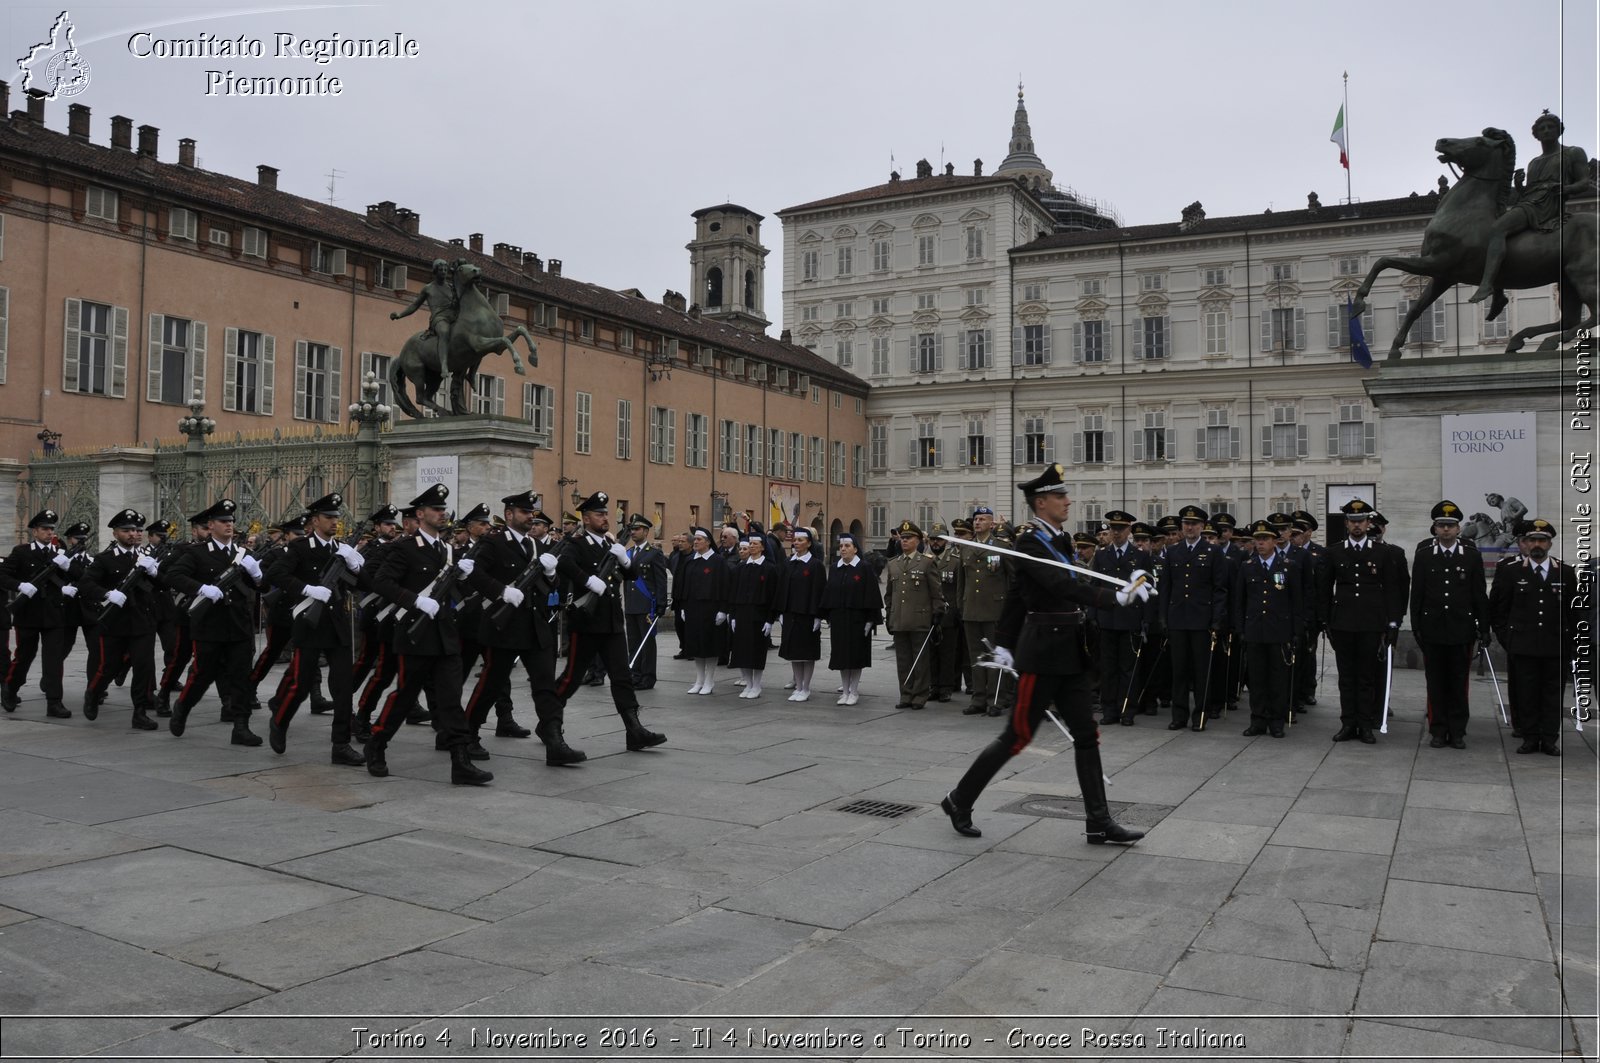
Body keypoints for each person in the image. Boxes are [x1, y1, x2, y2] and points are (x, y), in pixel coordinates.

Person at [940, 463, 1151, 844]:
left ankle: (1098, 821)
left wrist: (1003, 639)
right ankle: (959, 799)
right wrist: (1113, 598)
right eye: (1060, 496)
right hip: (1042, 650)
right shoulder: (1031, 542)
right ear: (1041, 502)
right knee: (1017, 736)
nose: (1068, 501)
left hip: (1069, 648)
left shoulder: (1058, 539)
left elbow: (1020, 594)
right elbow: (1059, 584)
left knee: (1087, 733)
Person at [366, 483, 492, 785]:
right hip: (415, 634)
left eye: (443, 509)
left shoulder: (447, 549)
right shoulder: (404, 548)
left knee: (451, 699)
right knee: (404, 696)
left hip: (445, 635)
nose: (442, 513)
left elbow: (454, 590)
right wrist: (414, 600)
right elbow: (381, 582)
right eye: (436, 509)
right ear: (420, 514)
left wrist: (462, 578)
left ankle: (460, 762)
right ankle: (377, 743)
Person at [464, 490, 584, 766]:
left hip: (536, 627)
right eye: (525, 512)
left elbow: (549, 588)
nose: (530, 517)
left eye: (532, 513)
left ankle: (555, 743)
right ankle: (467, 733)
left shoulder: (537, 547)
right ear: (509, 514)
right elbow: (474, 574)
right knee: (491, 684)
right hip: (503, 627)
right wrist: (501, 591)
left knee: (545, 687)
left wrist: (552, 574)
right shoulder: (492, 543)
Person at [553, 491, 666, 752]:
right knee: (571, 678)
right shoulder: (577, 543)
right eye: (599, 514)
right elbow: (564, 564)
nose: (605, 518)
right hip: (586, 623)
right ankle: (550, 723)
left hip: (612, 623)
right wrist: (587, 580)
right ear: (586, 517)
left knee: (622, 677)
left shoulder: (608, 545)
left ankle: (634, 730)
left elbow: (632, 575)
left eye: (606, 514)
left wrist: (625, 559)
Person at [262, 493, 369, 767]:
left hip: (338, 625)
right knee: (299, 685)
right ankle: (280, 721)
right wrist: (307, 588)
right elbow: (275, 574)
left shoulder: (342, 549)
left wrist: (355, 565)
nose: (335, 522)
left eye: (337, 517)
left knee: (343, 688)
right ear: (314, 521)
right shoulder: (299, 547)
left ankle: (340, 745)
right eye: (329, 517)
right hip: (310, 622)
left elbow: (362, 583)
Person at [162, 498, 266, 746]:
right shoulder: (196, 553)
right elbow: (174, 575)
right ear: (211, 525)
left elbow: (261, 586)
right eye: (223, 521)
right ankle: (183, 707)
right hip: (210, 625)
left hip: (239, 625)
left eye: (231, 521)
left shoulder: (243, 555)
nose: (229, 525)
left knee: (241, 677)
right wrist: (201, 588)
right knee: (202, 675)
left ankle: (241, 727)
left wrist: (258, 575)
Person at [1471, 112, 1592, 304]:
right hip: (1529, 203)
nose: (1546, 131)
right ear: (1536, 134)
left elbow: (1585, 182)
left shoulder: (1573, 153)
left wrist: (1565, 188)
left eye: (1550, 127)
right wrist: (1520, 187)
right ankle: (1499, 294)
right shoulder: (1534, 163)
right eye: (1541, 128)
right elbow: (1531, 192)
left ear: (1559, 130)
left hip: (1548, 206)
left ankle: (1487, 284)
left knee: (1498, 229)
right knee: (1502, 236)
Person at [1319, 499, 1409, 744]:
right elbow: (1325, 590)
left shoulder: (1383, 553)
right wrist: (1326, 621)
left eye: (1361, 521)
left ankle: (1366, 724)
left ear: (1369, 523)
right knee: (1346, 677)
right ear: (1346, 523)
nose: (1357, 525)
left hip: (1371, 623)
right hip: (1343, 623)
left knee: (1367, 677)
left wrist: (1392, 624)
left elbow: (1391, 590)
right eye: (1352, 521)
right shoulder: (1334, 551)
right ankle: (1348, 723)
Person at [1411, 500, 1490, 749]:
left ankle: (1457, 731)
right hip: (1432, 629)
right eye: (1441, 525)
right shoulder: (1424, 556)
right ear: (1434, 529)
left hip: (1461, 629)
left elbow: (1479, 594)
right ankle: (1438, 729)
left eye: (1450, 526)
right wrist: (1417, 627)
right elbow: (1418, 595)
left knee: (1458, 683)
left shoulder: (1471, 556)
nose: (1446, 530)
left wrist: (1484, 628)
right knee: (1435, 682)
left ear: (1458, 529)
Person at [1490, 519, 1571, 756]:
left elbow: (1573, 612)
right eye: (1533, 540)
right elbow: (1500, 610)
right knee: (1526, 694)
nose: (1537, 544)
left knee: (1552, 695)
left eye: (1542, 541)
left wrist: (1572, 642)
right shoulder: (1512, 571)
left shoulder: (1564, 572)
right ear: (1525, 542)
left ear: (1550, 544)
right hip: (1523, 646)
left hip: (1555, 646)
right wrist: (1509, 640)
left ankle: (1549, 739)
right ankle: (1529, 737)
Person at [77, 509, 163, 729]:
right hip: (115, 622)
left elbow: (164, 585)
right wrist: (107, 594)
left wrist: (154, 573)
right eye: (127, 530)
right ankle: (93, 693)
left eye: (136, 530)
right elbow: (86, 584)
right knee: (109, 666)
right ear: (115, 533)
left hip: (143, 621)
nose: (133, 534)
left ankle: (140, 712)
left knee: (143, 667)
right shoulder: (104, 559)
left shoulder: (146, 558)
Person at [1234, 520, 1305, 738]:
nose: (1261, 543)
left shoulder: (1288, 566)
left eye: (1265, 539)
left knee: (1277, 679)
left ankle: (1276, 721)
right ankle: (1258, 720)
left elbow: (1297, 601)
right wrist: (1240, 629)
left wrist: (1296, 631)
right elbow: (1240, 600)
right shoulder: (1247, 566)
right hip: (1255, 630)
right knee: (1256, 679)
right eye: (1258, 539)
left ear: (1275, 541)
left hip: (1279, 631)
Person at [0, 509, 75, 718]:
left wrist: (68, 567)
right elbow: (2, 575)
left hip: (54, 614)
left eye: (52, 529)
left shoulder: (58, 554)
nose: (49, 532)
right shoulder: (21, 552)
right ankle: (10, 688)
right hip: (29, 614)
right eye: (45, 529)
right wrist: (20, 585)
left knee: (53, 660)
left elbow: (77, 577)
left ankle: (54, 702)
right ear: (35, 531)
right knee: (24, 656)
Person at [1162, 505, 1230, 731]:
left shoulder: (1213, 552)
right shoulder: (1172, 552)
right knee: (1179, 670)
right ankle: (1178, 715)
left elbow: (1219, 589)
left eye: (1194, 524)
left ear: (1202, 527)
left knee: (1202, 672)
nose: (1189, 527)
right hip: (1178, 619)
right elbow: (1166, 588)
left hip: (1202, 620)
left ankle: (1200, 715)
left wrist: (1216, 619)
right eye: (1186, 524)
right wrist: (1164, 617)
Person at [957, 507, 1013, 717]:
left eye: (982, 519)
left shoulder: (1001, 547)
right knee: (976, 656)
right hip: (971, 609)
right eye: (976, 519)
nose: (977, 522)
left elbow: (1012, 579)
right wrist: (961, 605)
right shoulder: (966, 548)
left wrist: (1009, 609)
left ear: (992, 524)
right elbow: (962, 583)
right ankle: (978, 698)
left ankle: (995, 699)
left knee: (994, 655)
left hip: (994, 609)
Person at [885, 520, 945, 710]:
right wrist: (889, 615)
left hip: (920, 619)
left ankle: (919, 695)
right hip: (899, 618)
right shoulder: (894, 564)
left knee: (920, 660)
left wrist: (937, 614)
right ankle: (906, 694)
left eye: (908, 538)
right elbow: (889, 594)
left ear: (918, 540)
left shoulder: (927, 562)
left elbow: (936, 592)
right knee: (903, 660)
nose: (904, 541)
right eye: (902, 538)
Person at [1092, 510, 1145, 726]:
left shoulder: (1140, 556)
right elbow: (1095, 587)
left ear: (1129, 530)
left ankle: (1127, 709)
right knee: (1108, 668)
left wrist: (1145, 620)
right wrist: (1093, 614)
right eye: (1113, 528)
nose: (1116, 533)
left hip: (1129, 618)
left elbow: (1146, 590)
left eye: (1121, 529)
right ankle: (1109, 709)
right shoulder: (1102, 555)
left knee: (1127, 669)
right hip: (1107, 618)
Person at [819, 532, 881, 705]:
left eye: (847, 546)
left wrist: (870, 620)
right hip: (839, 618)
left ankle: (854, 690)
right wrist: (828, 615)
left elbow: (872, 594)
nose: (843, 549)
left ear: (855, 548)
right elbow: (829, 592)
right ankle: (844, 690)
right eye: (841, 547)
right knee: (841, 656)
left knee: (855, 656)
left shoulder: (864, 568)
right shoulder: (835, 568)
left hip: (857, 619)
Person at [727, 531, 782, 699]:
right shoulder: (740, 568)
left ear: (763, 547)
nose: (751, 546)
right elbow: (734, 593)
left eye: (755, 544)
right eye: (750, 544)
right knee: (742, 651)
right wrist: (733, 615)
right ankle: (748, 683)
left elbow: (773, 595)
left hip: (759, 615)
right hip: (742, 614)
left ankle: (756, 685)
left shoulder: (769, 568)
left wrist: (770, 619)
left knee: (756, 652)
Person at [675, 527, 728, 695]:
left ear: (708, 542)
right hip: (692, 608)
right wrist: (683, 606)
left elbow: (724, 586)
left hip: (711, 609)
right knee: (696, 646)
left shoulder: (718, 561)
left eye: (699, 539)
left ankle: (709, 680)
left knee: (709, 645)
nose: (696, 542)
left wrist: (723, 610)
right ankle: (699, 679)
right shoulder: (690, 560)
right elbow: (684, 585)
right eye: (695, 539)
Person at [777, 527, 826, 701]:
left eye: (800, 540)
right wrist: (781, 611)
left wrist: (818, 616)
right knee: (794, 653)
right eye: (795, 540)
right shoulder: (788, 563)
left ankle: (806, 687)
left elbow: (820, 591)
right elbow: (782, 588)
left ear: (809, 543)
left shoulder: (815, 565)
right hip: (791, 613)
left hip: (807, 614)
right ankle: (798, 685)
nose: (796, 543)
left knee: (806, 653)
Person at [622, 514, 669, 690]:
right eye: (632, 529)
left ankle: (648, 677)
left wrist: (661, 604)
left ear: (646, 531)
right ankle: (635, 674)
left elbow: (661, 580)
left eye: (637, 529)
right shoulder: (627, 553)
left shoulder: (654, 553)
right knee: (633, 641)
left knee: (647, 643)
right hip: (632, 605)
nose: (633, 532)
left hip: (647, 605)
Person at [391, 258, 459, 362]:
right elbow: (415, 306)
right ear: (435, 271)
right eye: (441, 270)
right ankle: (444, 364)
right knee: (444, 332)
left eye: (445, 270)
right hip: (439, 318)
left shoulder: (451, 287)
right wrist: (400, 315)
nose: (444, 272)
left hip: (453, 317)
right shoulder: (428, 288)